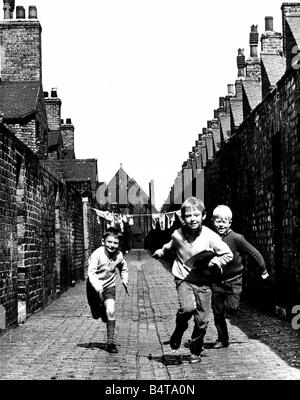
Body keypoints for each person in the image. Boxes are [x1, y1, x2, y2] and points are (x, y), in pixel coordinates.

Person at [153, 197, 233, 363]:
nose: (192, 218)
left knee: (202, 321)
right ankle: (179, 329)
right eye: (188, 215)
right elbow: (170, 247)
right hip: (184, 278)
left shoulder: (211, 236)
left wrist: (214, 262)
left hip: (204, 282)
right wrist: (161, 251)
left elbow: (228, 254)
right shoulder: (178, 235)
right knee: (188, 308)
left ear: (203, 216)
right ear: (183, 218)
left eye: (196, 215)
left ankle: (195, 350)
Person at [211, 205, 269, 349]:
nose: (221, 225)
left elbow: (254, 252)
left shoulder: (237, 238)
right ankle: (222, 339)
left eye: (224, 221)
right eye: (218, 221)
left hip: (234, 280)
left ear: (230, 223)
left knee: (232, 308)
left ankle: (227, 308)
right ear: (213, 222)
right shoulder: (211, 238)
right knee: (217, 313)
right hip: (217, 281)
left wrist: (263, 269)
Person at [86, 227, 128, 354]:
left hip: (109, 287)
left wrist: (124, 279)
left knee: (111, 310)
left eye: (115, 243)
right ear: (103, 241)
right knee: (96, 314)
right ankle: (101, 311)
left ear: (119, 244)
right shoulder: (96, 255)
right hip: (94, 287)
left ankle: (110, 343)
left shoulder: (119, 255)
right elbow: (91, 273)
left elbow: (123, 267)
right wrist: (98, 287)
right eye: (109, 242)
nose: (112, 245)